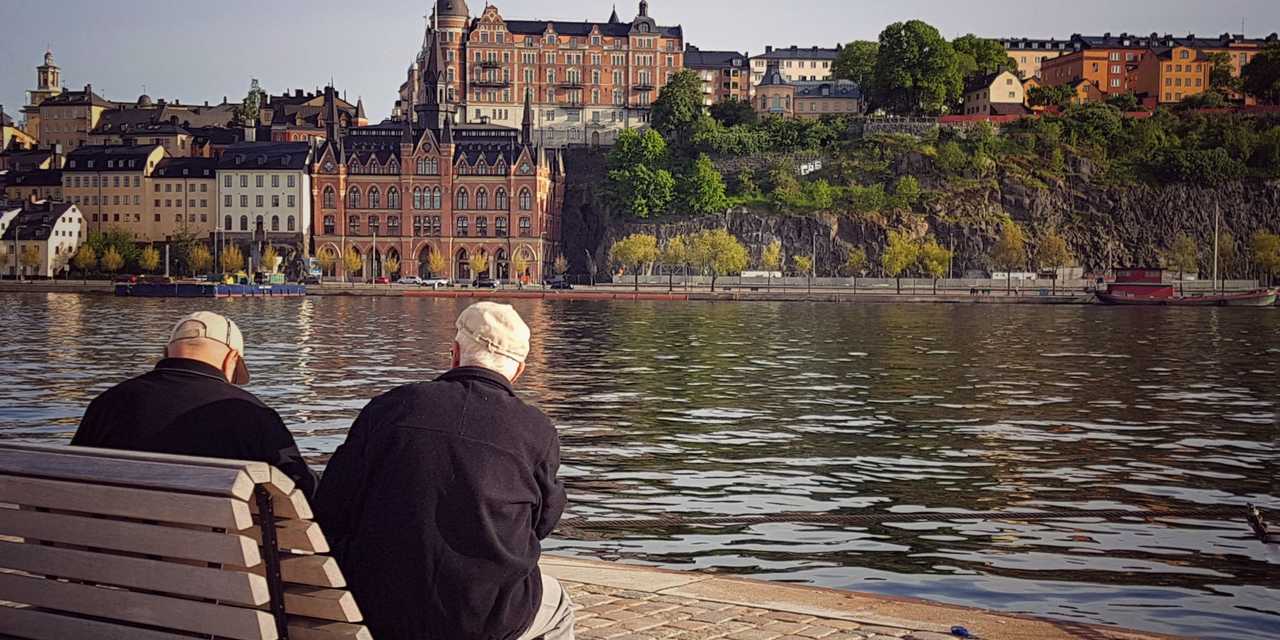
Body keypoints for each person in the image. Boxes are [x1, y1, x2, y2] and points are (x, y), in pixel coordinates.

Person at [315, 302, 572, 640]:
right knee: (560, 606)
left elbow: (331, 505)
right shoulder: (536, 430)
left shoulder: (388, 408)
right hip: (485, 616)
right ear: (519, 371)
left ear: (454, 354)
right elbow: (541, 524)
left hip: (375, 605)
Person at [72, 311, 317, 498]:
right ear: (231, 360)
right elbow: (302, 492)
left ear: (166, 353)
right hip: (218, 560)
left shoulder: (106, 404)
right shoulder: (252, 415)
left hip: (111, 556)